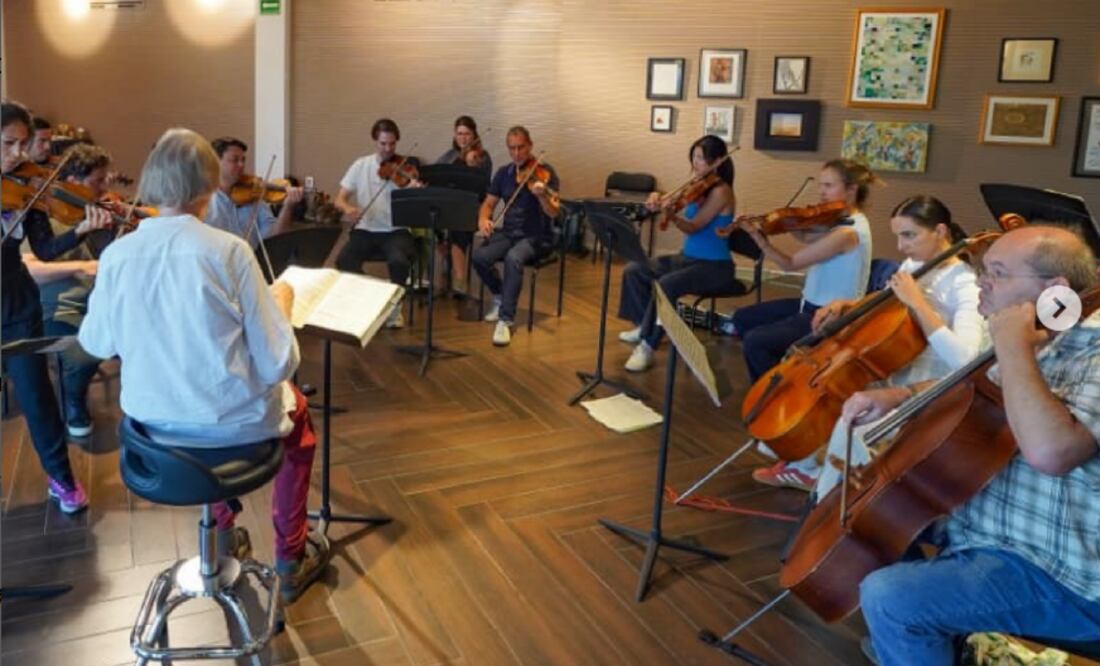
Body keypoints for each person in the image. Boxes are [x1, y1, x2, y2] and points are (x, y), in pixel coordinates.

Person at [78, 128, 330, 602]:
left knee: (199, 407)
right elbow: (278, 362)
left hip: (151, 440)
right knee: (299, 422)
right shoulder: (227, 252)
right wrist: (282, 306)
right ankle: (290, 556)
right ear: (208, 186)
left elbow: (96, 341)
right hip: (232, 432)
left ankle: (221, 532)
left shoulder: (117, 254)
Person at [846, 225, 1100, 665]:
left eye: (998, 273)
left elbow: (1052, 452)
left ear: (1055, 291)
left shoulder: (1091, 354)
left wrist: (1012, 348)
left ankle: (913, 631)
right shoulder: (1036, 340)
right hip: (987, 530)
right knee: (866, 513)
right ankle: (927, 643)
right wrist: (901, 396)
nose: (982, 281)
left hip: (1064, 574)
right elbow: (981, 386)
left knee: (891, 600)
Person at [752, 196, 986, 491]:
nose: (901, 246)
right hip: (895, 366)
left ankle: (827, 489)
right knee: (819, 393)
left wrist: (918, 303)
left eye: (909, 235)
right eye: (898, 236)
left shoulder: (964, 283)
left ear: (940, 232)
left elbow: (966, 359)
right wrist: (847, 306)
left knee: (849, 411)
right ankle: (808, 467)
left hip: (926, 385)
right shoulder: (916, 263)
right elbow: (887, 306)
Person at [1, 101, 111, 513]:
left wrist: (80, 230)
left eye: (23, 144)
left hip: (17, 302)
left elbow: (45, 249)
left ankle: (62, 479)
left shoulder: (29, 188)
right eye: (9, 143)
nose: (17, 154)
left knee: (36, 395)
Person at [733, 159, 877, 383]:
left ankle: (777, 393)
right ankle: (784, 374)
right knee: (743, 318)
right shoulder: (842, 222)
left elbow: (790, 263)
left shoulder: (847, 233)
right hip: (807, 307)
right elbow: (809, 237)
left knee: (755, 341)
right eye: (821, 185)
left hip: (827, 318)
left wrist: (759, 239)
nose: (821, 192)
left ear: (851, 190)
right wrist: (789, 223)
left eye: (829, 186)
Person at [617, 134, 740, 372]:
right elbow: (668, 198)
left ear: (717, 162)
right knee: (635, 270)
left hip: (715, 267)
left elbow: (694, 227)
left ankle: (647, 346)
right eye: (693, 157)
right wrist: (656, 199)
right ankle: (645, 326)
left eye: (701, 159)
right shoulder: (697, 185)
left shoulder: (722, 192)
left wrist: (671, 216)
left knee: (666, 284)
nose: (695, 164)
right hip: (689, 259)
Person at [21, 143, 117, 437]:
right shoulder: (39, 215)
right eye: (96, 181)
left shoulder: (97, 215)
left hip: (99, 303)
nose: (103, 189)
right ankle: (73, 400)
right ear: (72, 183)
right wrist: (79, 268)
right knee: (83, 353)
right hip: (56, 307)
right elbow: (29, 268)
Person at [471, 126, 560, 347]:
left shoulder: (545, 173)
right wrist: (484, 219)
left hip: (538, 236)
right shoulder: (503, 173)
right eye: (512, 148)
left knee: (513, 258)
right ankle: (501, 295)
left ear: (530, 146)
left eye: (521, 147)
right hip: (510, 233)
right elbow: (489, 204)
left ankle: (505, 319)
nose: (517, 153)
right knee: (479, 257)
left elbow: (554, 212)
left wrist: (541, 197)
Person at [334, 118, 421, 328]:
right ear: (375, 141)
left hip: (396, 230)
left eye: (392, 144)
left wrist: (415, 191)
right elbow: (339, 199)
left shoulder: (404, 169)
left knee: (399, 261)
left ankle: (396, 308)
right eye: (383, 144)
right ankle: (380, 295)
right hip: (366, 229)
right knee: (343, 261)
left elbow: (418, 206)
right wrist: (348, 209)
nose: (388, 149)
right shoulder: (360, 165)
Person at [206, 136, 303, 249]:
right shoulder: (204, 202)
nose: (241, 165)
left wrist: (288, 207)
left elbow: (274, 239)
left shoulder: (254, 196)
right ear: (215, 162)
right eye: (235, 160)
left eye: (243, 160)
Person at [435, 115, 492, 294]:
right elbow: (436, 173)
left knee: (457, 227)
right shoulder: (449, 155)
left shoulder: (482, 156)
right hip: (450, 204)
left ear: (474, 134)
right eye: (459, 134)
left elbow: (482, 186)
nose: (463, 138)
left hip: (474, 206)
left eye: (467, 134)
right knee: (428, 218)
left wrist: (472, 165)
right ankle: (447, 256)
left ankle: (460, 279)